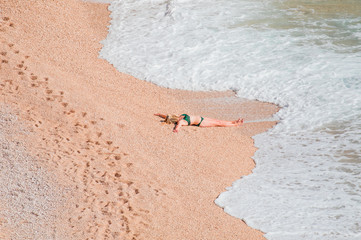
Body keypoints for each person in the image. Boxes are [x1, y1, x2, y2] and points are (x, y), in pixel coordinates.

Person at [154, 113, 244, 133]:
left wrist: (158, 114)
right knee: (218, 123)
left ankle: (233, 121)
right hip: (201, 123)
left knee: (218, 121)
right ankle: (235, 124)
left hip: (202, 118)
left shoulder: (180, 116)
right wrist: (176, 129)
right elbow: (178, 127)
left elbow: (166, 116)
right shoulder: (181, 121)